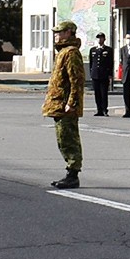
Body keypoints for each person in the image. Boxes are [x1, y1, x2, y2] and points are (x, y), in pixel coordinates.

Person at [43, 20, 86, 189]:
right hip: (58, 103)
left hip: (65, 105)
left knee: (69, 139)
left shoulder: (71, 52)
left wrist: (72, 102)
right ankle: (70, 172)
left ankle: (72, 174)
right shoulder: (63, 52)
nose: (56, 35)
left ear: (69, 32)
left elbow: (76, 80)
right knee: (63, 139)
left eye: (59, 32)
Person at [88, 32, 114, 116]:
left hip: (104, 74)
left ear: (104, 39)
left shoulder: (108, 50)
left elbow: (110, 63)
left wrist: (110, 74)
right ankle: (99, 110)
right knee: (97, 93)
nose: (99, 39)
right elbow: (91, 63)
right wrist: (91, 73)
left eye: (101, 38)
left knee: (104, 93)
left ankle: (104, 110)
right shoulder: (93, 50)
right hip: (95, 74)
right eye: (98, 38)